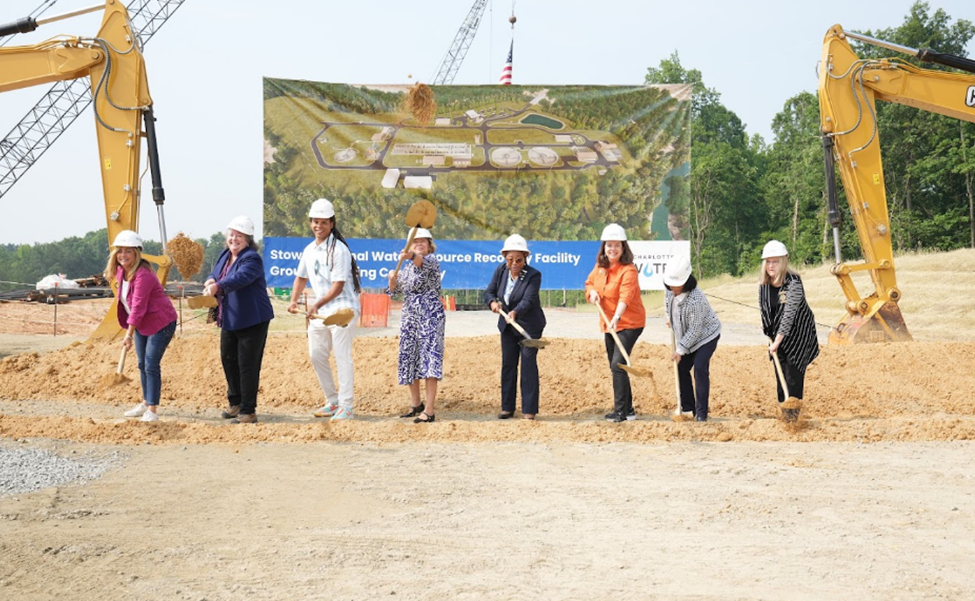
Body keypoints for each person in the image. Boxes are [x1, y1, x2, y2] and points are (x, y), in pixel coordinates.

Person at [288, 198, 361, 421]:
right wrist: (293, 301)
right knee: (316, 354)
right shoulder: (309, 250)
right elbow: (301, 277)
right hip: (320, 310)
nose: (318, 226)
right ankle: (333, 401)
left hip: (343, 310)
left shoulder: (339, 251)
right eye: (314, 221)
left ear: (331, 224)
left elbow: (338, 286)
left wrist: (316, 304)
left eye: (323, 222)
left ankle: (347, 406)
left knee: (341, 356)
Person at [203, 216, 274, 424]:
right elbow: (216, 274)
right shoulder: (225, 254)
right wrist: (210, 281)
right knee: (228, 360)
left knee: (247, 365)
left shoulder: (251, 259)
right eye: (232, 234)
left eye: (239, 236)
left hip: (252, 319)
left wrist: (218, 287)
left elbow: (239, 278)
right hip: (230, 317)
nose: (234, 239)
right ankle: (234, 403)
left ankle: (248, 410)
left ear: (248, 239)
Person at [106, 230, 178, 423]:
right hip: (143, 324)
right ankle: (145, 403)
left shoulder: (143, 275)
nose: (123, 255)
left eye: (128, 251)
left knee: (151, 364)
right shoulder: (122, 271)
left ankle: (152, 410)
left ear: (137, 253)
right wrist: (132, 331)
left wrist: (128, 334)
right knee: (141, 364)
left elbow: (138, 306)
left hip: (161, 322)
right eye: (120, 251)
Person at [584, 224, 646, 423]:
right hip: (608, 323)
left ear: (623, 247)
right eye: (609, 245)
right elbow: (590, 283)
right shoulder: (601, 267)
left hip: (629, 322)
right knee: (617, 365)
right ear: (604, 247)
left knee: (617, 365)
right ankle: (628, 410)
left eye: (616, 245)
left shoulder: (629, 270)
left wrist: (616, 318)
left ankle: (620, 411)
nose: (612, 249)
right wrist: (592, 293)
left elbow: (625, 297)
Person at [483, 234, 546, 420]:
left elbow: (529, 299)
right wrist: (492, 303)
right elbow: (489, 292)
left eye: (519, 259)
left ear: (525, 258)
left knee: (527, 365)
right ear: (505, 258)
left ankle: (529, 410)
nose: (514, 263)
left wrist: (515, 312)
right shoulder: (501, 271)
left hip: (529, 327)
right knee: (508, 365)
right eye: (510, 259)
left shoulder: (533, 275)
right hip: (507, 326)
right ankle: (507, 407)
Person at [388, 228, 445, 423]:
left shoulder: (431, 261)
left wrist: (410, 255)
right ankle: (416, 404)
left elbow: (421, 263)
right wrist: (393, 283)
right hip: (410, 318)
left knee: (429, 360)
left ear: (430, 246)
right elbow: (394, 295)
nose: (419, 243)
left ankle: (429, 410)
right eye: (415, 241)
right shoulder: (406, 269)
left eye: (423, 241)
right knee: (409, 358)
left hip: (430, 317)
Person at [759, 240, 820, 405]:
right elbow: (764, 310)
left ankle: (794, 413)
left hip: (799, 334)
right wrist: (769, 334)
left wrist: (777, 341)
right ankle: (783, 410)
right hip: (777, 335)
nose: (771, 266)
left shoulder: (794, 282)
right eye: (768, 262)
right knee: (781, 376)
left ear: (783, 262)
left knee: (793, 375)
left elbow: (789, 315)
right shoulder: (764, 285)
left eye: (775, 262)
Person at [663, 255, 721, 422]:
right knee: (681, 368)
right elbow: (668, 304)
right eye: (671, 284)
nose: (673, 287)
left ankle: (701, 413)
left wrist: (680, 349)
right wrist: (669, 316)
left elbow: (696, 330)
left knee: (700, 367)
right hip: (686, 337)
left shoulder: (696, 299)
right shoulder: (669, 289)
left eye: (678, 284)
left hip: (706, 336)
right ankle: (688, 408)